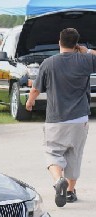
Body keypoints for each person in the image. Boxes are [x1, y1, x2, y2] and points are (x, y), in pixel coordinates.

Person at [26, 28, 96, 207]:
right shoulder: (85, 60)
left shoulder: (48, 63)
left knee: (53, 152)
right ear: (76, 44)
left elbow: (35, 89)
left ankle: (58, 180)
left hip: (56, 118)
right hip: (80, 119)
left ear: (59, 42)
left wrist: (30, 102)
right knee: (75, 154)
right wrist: (86, 51)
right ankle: (71, 192)